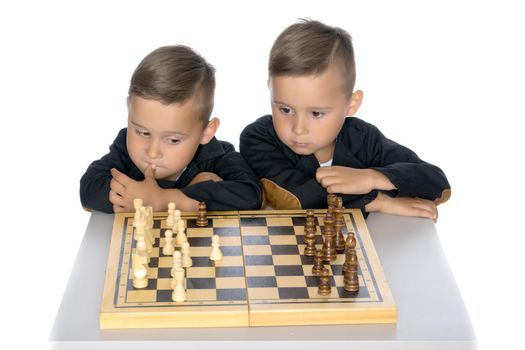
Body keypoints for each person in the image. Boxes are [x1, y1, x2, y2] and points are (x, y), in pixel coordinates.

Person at [240, 20, 450, 220]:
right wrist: (377, 201)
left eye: (316, 113)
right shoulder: (258, 138)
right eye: (285, 109)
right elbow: (299, 198)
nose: (299, 129)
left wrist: (371, 177)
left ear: (351, 104)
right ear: (270, 90)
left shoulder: (364, 138)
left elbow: (436, 183)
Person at [80, 45, 262, 213]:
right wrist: (188, 196)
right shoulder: (124, 147)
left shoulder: (217, 156)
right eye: (143, 132)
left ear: (206, 132)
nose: (152, 152)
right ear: (129, 108)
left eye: (173, 140)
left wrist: (163, 199)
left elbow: (251, 196)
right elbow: (89, 190)